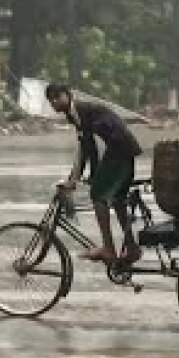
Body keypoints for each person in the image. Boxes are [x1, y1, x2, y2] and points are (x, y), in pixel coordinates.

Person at [46, 83, 142, 263]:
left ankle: (108, 248)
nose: (54, 101)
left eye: (57, 97)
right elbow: (86, 146)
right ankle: (132, 247)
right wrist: (75, 178)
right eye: (51, 100)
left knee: (98, 194)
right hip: (124, 150)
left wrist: (85, 177)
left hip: (119, 150)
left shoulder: (81, 111)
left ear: (68, 95)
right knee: (118, 199)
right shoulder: (75, 114)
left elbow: (91, 147)